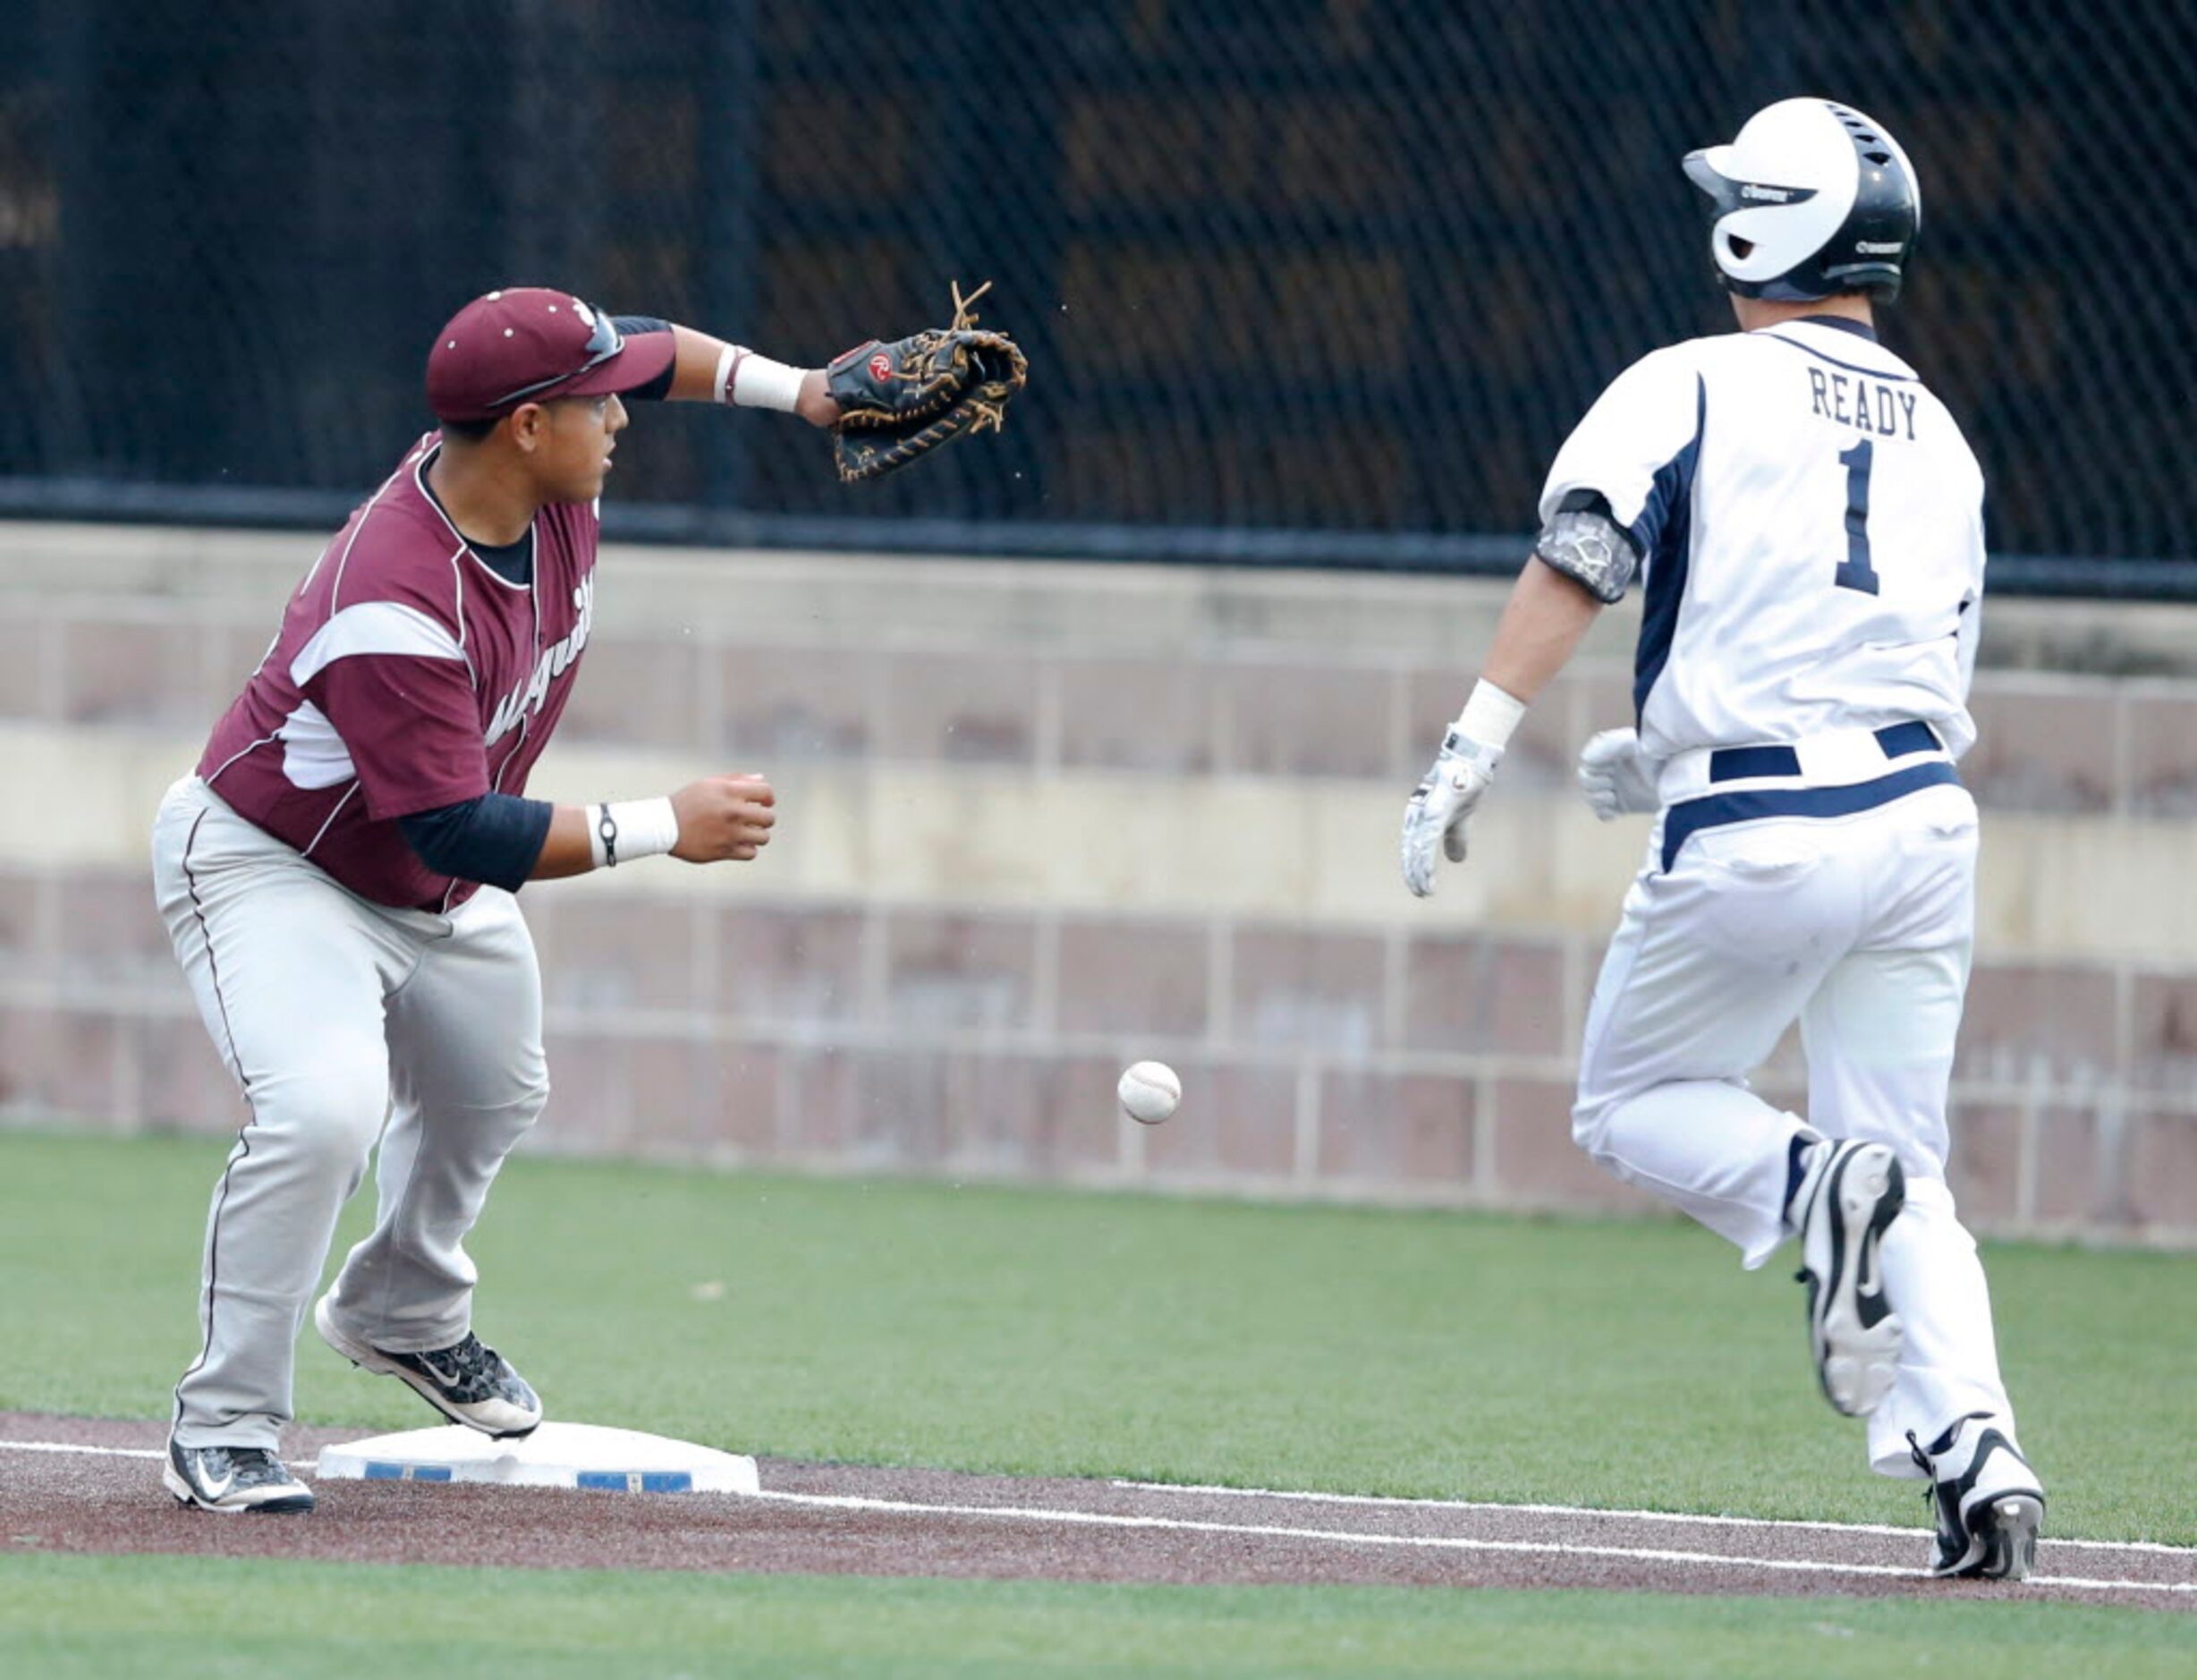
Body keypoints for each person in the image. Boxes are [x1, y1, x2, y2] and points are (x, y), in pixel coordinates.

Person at [1400, 98, 2045, 1581]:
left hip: (1765, 824)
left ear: (1760, 227)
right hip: (1922, 817)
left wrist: (1472, 744)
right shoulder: (1942, 429)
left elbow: (1585, 552)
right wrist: (1666, 748)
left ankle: (1816, 1195)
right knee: (1911, 1170)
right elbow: (1911, 668)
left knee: (1633, 1097)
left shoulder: (1689, 378)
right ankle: (1980, 1458)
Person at [150, 289, 838, 1513]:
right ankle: (225, 1422)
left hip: (421, 872)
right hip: (278, 866)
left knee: (494, 1085)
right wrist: (665, 826)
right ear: (527, 426)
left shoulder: (540, 484)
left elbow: (666, 350)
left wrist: (805, 391)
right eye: (594, 401)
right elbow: (458, 823)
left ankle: (399, 1307)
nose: (620, 414)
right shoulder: (394, 597)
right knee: (325, 1110)